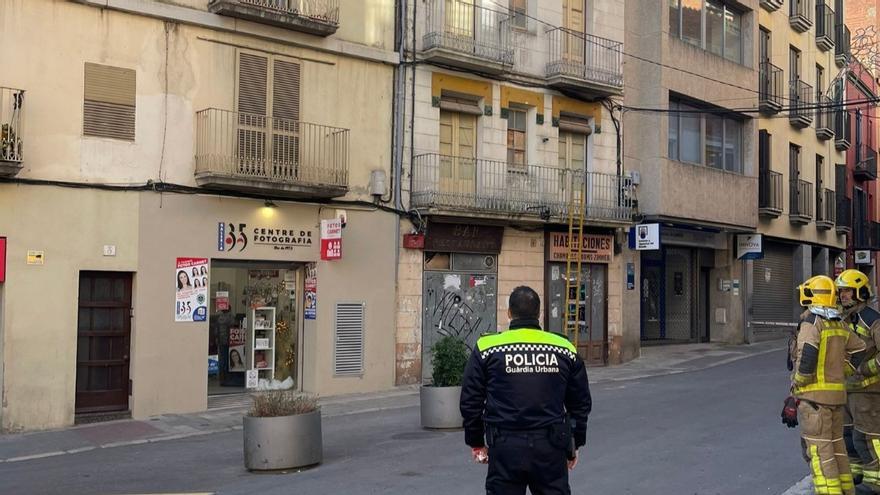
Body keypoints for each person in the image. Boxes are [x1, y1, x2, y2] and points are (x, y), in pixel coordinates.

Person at [460, 286, 591, 495]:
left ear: (509, 313)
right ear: (539, 314)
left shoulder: (487, 348)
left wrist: (476, 442)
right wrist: (574, 444)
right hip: (551, 447)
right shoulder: (564, 347)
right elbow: (580, 403)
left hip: (504, 447)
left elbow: (470, 401)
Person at [792, 275, 867, 495]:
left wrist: (799, 383)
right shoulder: (839, 322)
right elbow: (860, 348)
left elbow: (807, 354)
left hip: (814, 400)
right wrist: (846, 370)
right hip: (836, 399)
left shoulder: (812, 322)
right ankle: (846, 491)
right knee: (837, 449)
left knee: (820, 452)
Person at [837, 269, 880, 494]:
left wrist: (865, 369)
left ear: (861, 293)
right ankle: (856, 475)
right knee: (849, 437)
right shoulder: (842, 319)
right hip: (847, 390)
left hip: (869, 392)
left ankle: (876, 482)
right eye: (841, 291)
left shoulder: (873, 320)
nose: (843, 295)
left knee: (869, 438)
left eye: (848, 291)